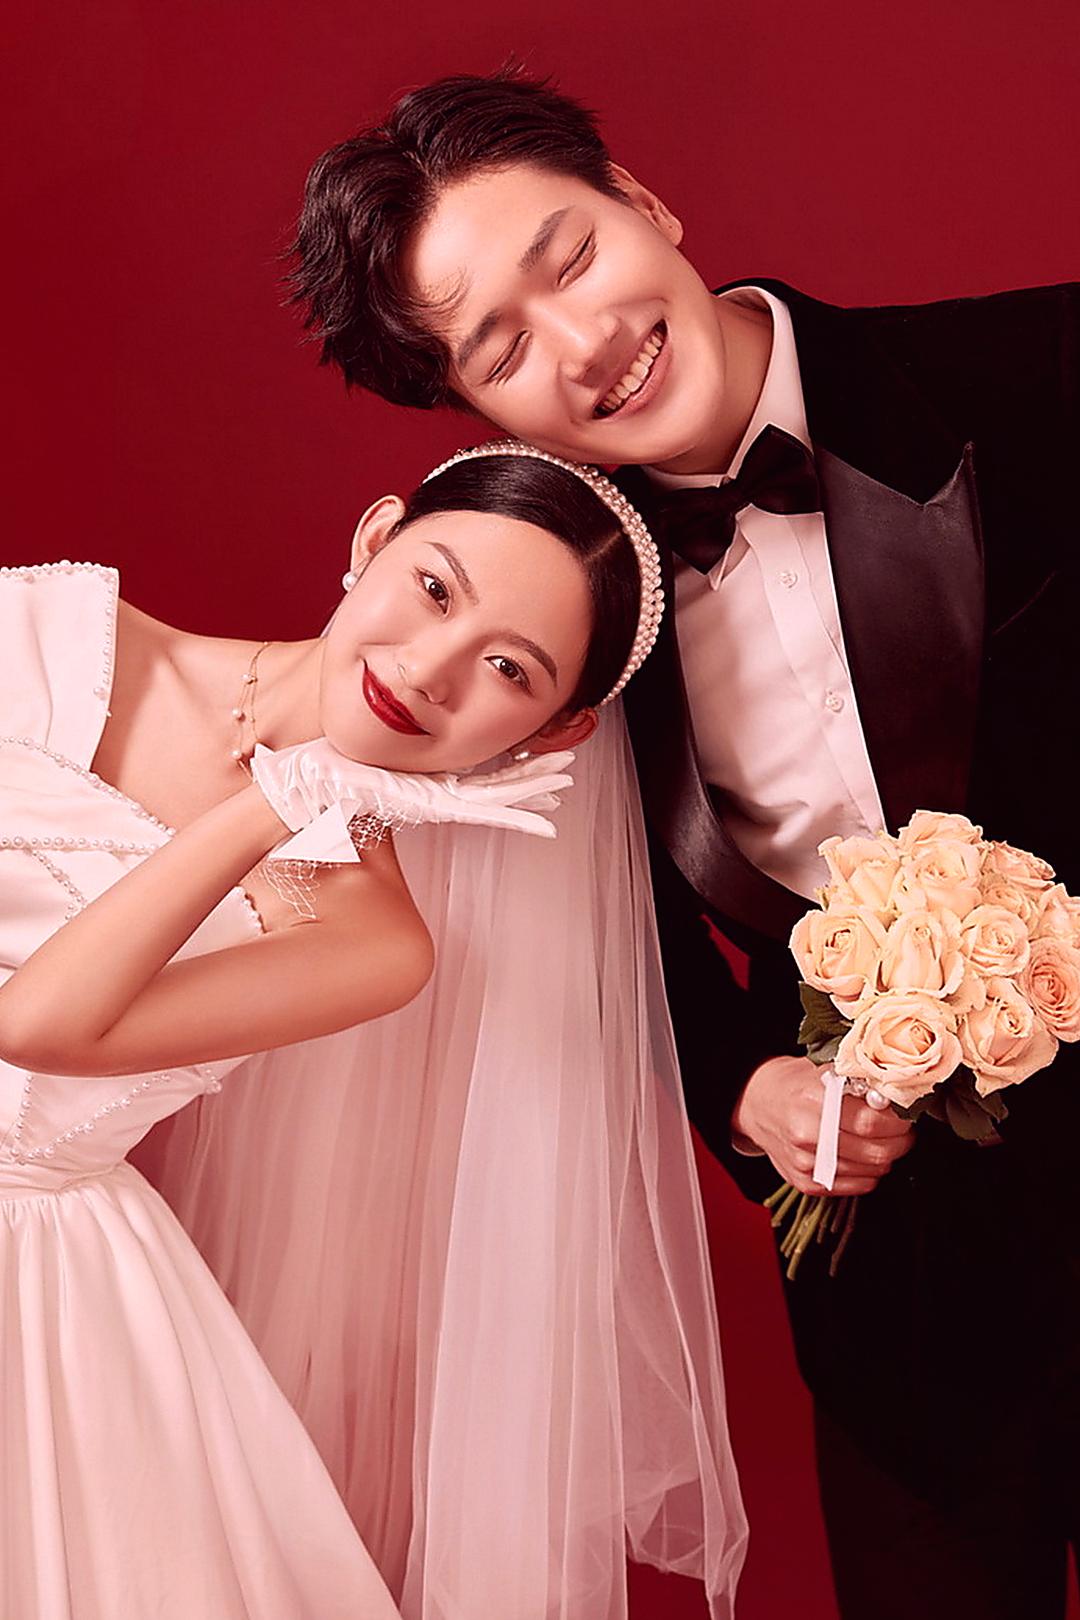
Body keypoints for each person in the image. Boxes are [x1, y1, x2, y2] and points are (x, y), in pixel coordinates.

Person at [287, 68, 1080, 1620]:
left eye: (572, 256)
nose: (584, 344)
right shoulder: (554, 619)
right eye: (501, 348)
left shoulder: (1041, 364)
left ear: (642, 202)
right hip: (907, 1314)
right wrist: (746, 1088)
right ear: (474, 409)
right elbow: (612, 931)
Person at [0, 444, 745, 1620]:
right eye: (435, 588)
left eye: (508, 667)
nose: (430, 669)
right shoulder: (42, 631)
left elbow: (37, 1025)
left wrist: (279, 803)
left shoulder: (371, 941)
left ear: (557, 734)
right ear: (373, 539)